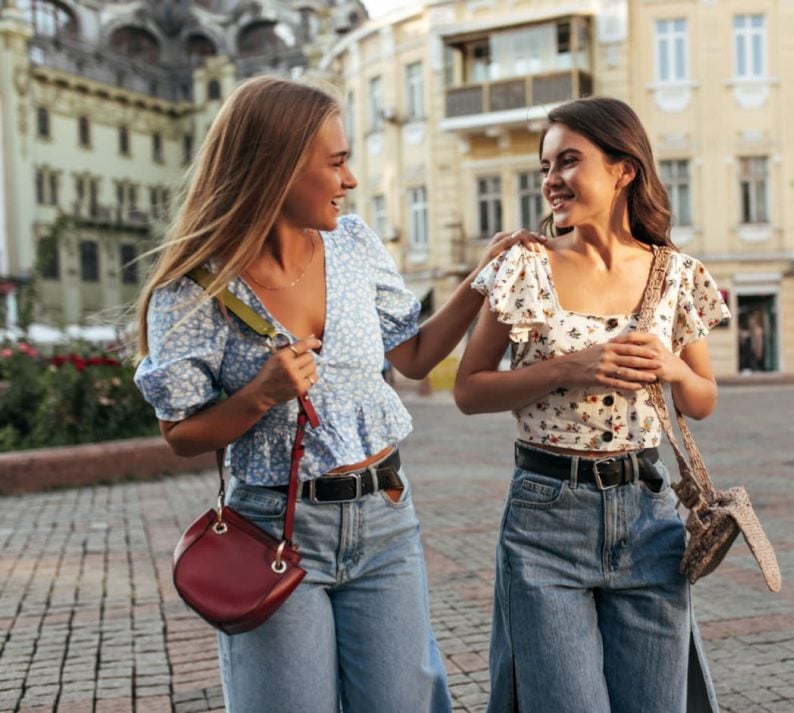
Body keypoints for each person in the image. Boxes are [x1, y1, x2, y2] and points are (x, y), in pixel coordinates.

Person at [133, 76, 539, 713]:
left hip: (384, 519)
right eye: (338, 162)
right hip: (274, 531)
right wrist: (262, 394)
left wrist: (480, 282)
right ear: (276, 169)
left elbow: (414, 354)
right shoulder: (193, 290)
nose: (350, 181)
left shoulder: (353, 244)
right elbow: (181, 434)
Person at [454, 97, 729, 712]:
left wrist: (673, 367)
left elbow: (704, 399)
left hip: (649, 514)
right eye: (546, 165)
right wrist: (569, 367)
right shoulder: (527, 265)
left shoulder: (678, 273)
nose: (551, 180)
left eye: (569, 161)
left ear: (623, 169)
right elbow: (469, 389)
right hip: (546, 515)